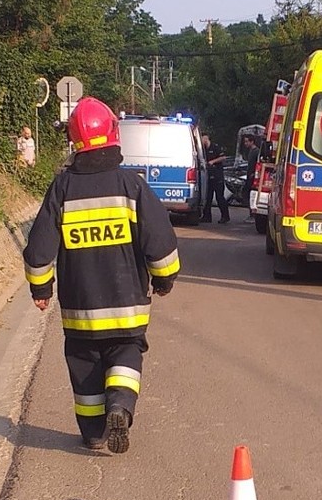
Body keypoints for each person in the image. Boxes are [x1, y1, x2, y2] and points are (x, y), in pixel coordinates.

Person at [23, 96, 180, 453]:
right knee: (126, 354)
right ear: (113, 133)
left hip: (80, 311)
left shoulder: (62, 189)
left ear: (74, 143)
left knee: (84, 364)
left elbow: (39, 249)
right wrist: (164, 279)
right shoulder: (132, 186)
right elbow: (160, 242)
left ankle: (94, 433)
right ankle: (120, 407)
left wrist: (40, 288)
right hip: (127, 310)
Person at [201, 131, 230, 223]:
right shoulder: (203, 150)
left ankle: (225, 216)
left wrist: (213, 161)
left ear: (206, 138)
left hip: (218, 177)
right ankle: (207, 217)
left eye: (202, 139)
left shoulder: (215, 147)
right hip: (208, 177)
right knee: (208, 198)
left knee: (219, 197)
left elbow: (223, 157)